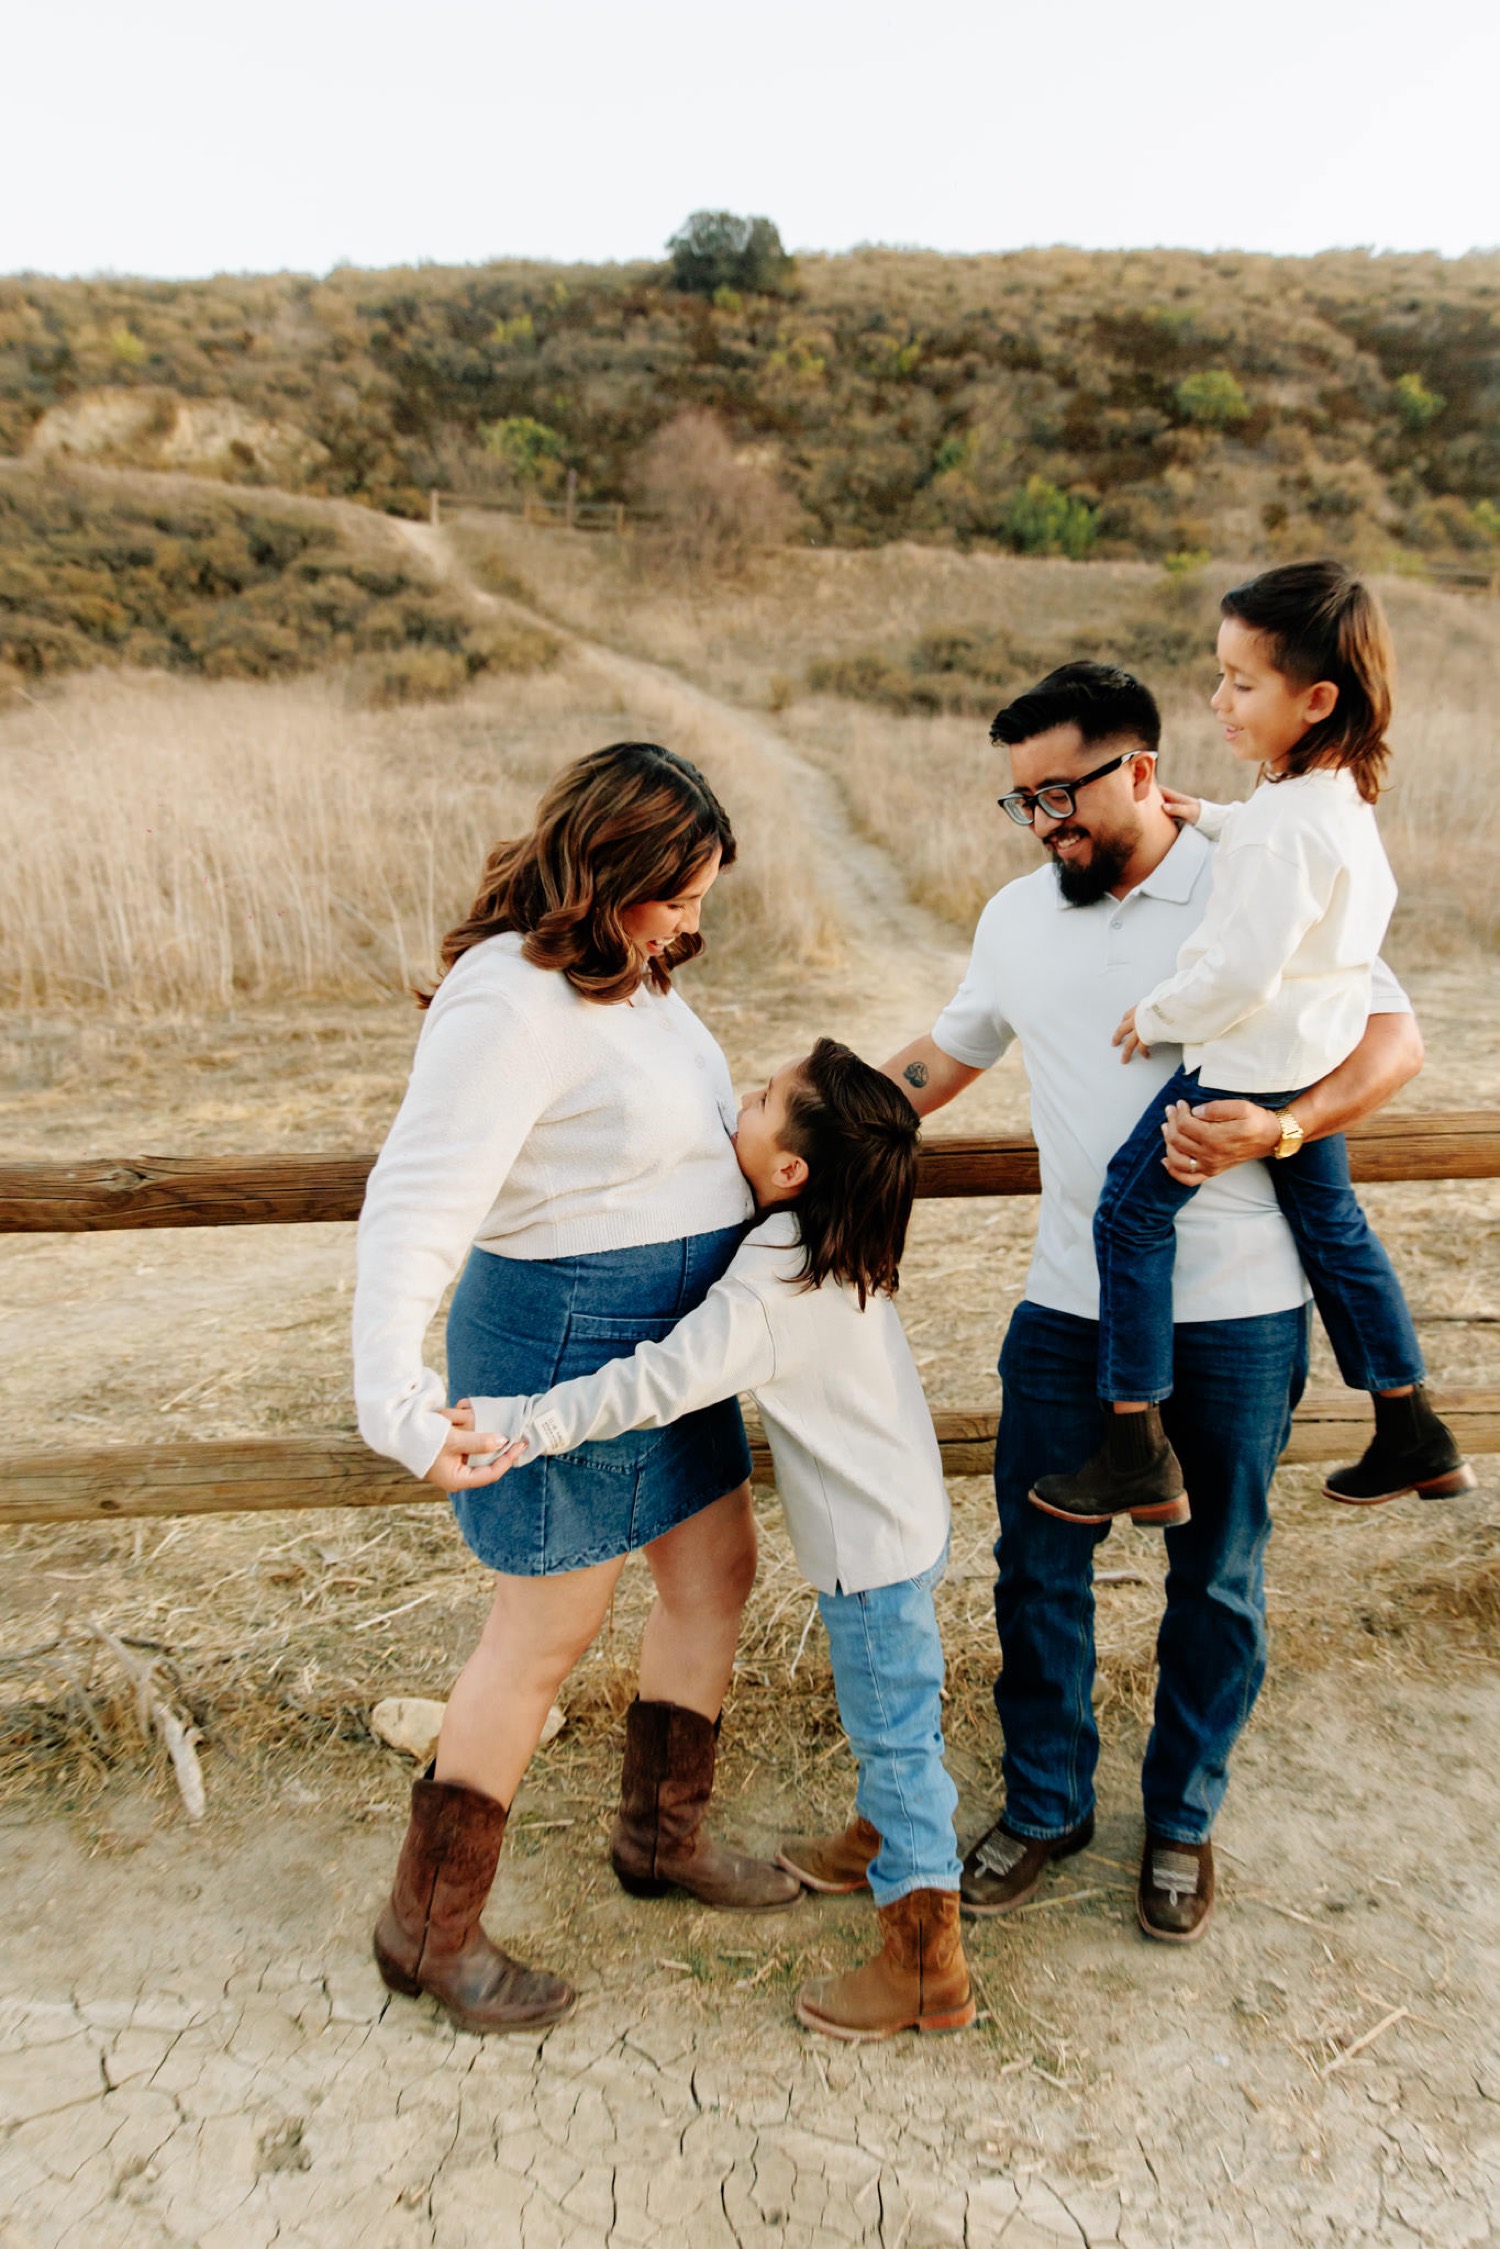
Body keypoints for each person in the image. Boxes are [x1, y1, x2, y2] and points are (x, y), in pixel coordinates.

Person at [882, 662, 1425, 1942]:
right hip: (1067, 1306)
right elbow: (941, 1059)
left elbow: (1392, 1041)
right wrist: (781, 1122)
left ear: (1138, 767)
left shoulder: (1262, 874)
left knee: (1219, 1580)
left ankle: (1181, 1821)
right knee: (1037, 1567)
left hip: (1238, 1309)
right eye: (1021, 802)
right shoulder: (1018, 916)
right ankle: (1049, 1800)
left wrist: (1286, 1124)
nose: (1043, 823)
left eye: (1061, 792)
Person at [353, 740, 799, 2040]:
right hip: (567, 1342)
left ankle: (661, 1839)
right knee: (540, 1637)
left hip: (669, 1341)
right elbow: (420, 1198)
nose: (696, 924)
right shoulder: (508, 999)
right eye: (682, 895)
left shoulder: (630, 971)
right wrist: (395, 1394)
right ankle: (424, 1930)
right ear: (607, 871)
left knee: (715, 1571)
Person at [466, 1039, 976, 2043]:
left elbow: (653, 1381)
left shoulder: (772, 1287)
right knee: (900, 1708)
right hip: (906, 1520)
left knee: (895, 1731)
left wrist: (528, 1420)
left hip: (869, 1553)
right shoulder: (840, 1230)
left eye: (759, 1098)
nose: (737, 1103)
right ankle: (883, 1838)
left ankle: (926, 1960)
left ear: (792, 1170)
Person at [1033, 564, 1473, 1528]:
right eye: (1219, 673)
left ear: (1315, 699)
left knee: (1127, 1216)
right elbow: (1287, 851)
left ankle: (1135, 1445)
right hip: (1311, 1057)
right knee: (1335, 1228)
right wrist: (1218, 819)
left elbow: (1240, 973)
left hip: (1244, 1064)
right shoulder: (1329, 796)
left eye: (1241, 682)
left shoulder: (1283, 829)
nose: (1216, 699)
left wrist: (1156, 1015)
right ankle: (1411, 1423)